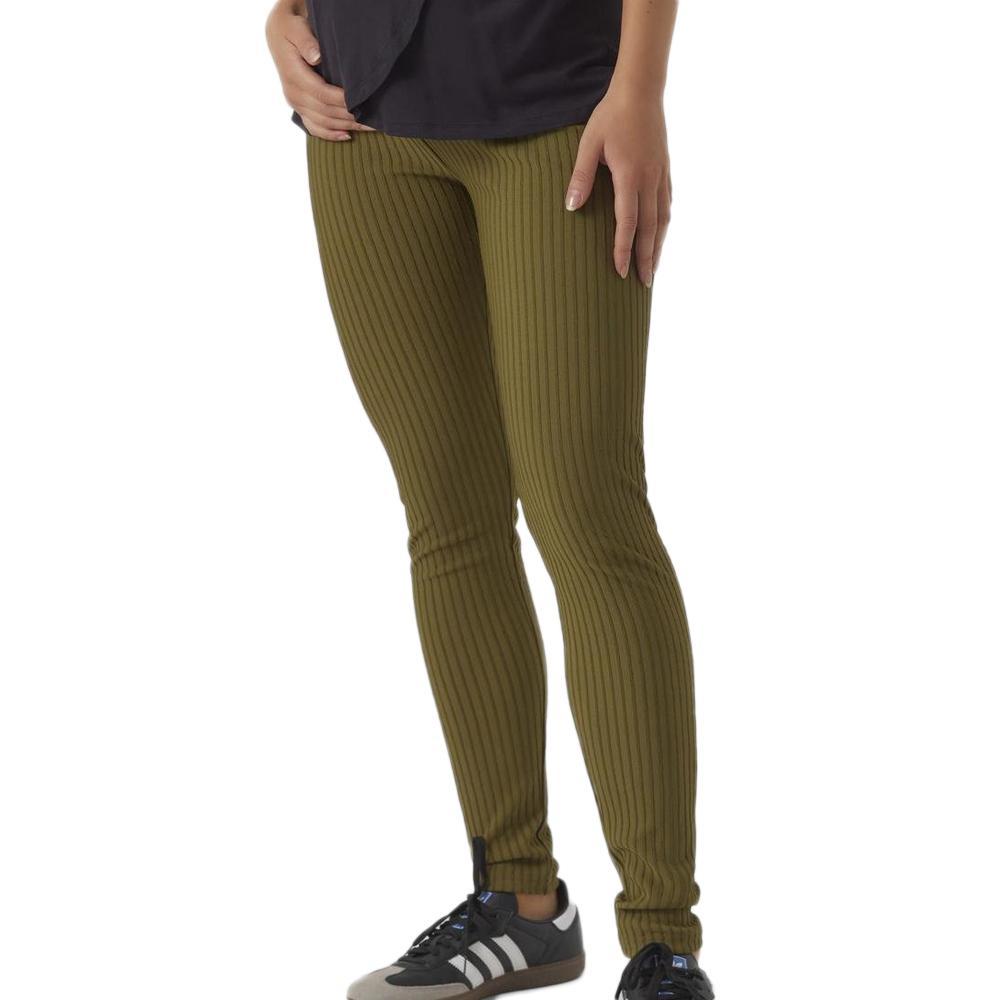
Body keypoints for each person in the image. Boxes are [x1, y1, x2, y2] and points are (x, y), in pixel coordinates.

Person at [266, 1, 714, 998]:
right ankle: (520, 904)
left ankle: (662, 940)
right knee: (450, 518)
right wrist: (286, 16)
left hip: (555, 102)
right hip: (362, 121)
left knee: (588, 515)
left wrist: (640, 89)